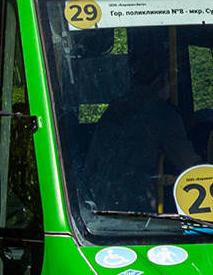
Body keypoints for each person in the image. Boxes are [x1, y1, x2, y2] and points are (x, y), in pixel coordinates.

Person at [81, 48, 200, 212]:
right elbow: (188, 165)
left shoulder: (113, 109)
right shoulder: (163, 114)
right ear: (166, 78)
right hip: (141, 206)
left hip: (102, 203)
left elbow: (90, 165)